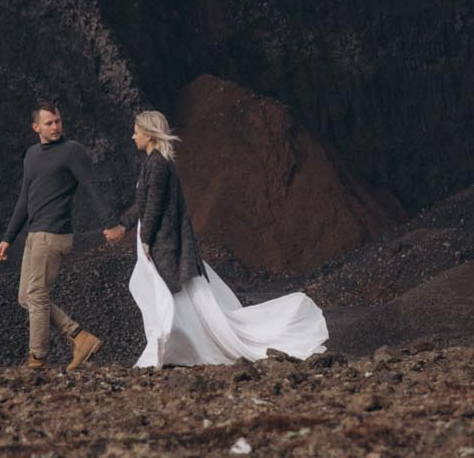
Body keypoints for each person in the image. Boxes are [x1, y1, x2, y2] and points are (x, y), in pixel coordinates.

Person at [102, 110, 328, 367]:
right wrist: (123, 225)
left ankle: (171, 345)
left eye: (136, 131)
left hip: (162, 242)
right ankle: (173, 344)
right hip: (162, 240)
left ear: (150, 134)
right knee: (172, 295)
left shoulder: (157, 164)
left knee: (166, 293)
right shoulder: (157, 162)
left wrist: (145, 240)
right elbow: (143, 205)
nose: (133, 136)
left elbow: (153, 207)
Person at [0, 102, 110, 370]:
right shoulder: (32, 155)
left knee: (36, 295)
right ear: (36, 127)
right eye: (49, 123)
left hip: (54, 234)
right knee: (26, 297)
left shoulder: (72, 151)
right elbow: (24, 199)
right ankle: (80, 337)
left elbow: (92, 186)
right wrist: (8, 237)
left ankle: (37, 359)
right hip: (35, 235)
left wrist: (109, 223)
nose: (56, 126)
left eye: (58, 121)